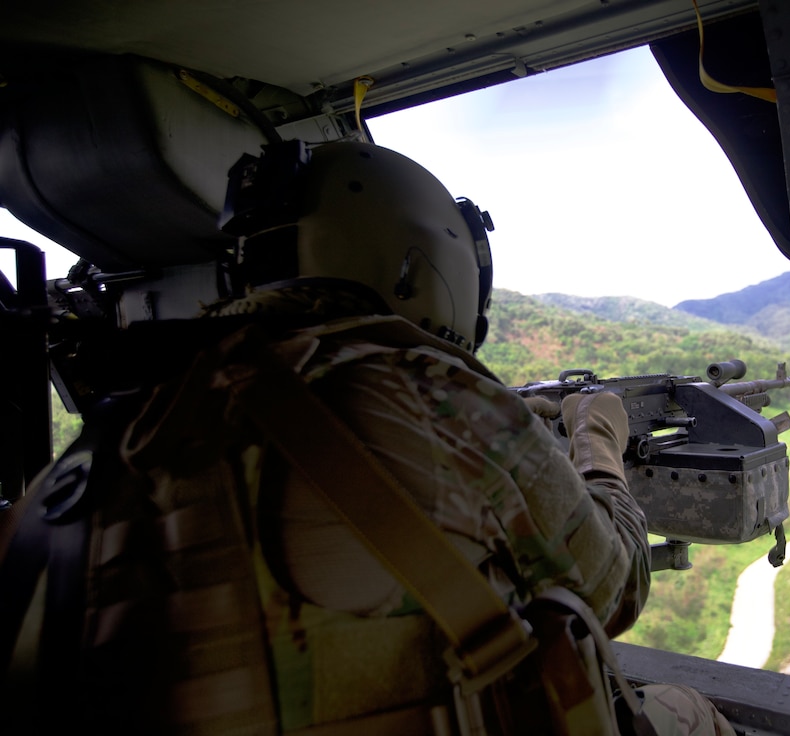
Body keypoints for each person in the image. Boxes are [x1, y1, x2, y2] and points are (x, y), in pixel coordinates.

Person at [1, 139, 735, 735]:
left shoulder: (120, 428)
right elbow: (615, 589)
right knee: (689, 713)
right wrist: (596, 436)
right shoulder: (437, 397)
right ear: (418, 264)